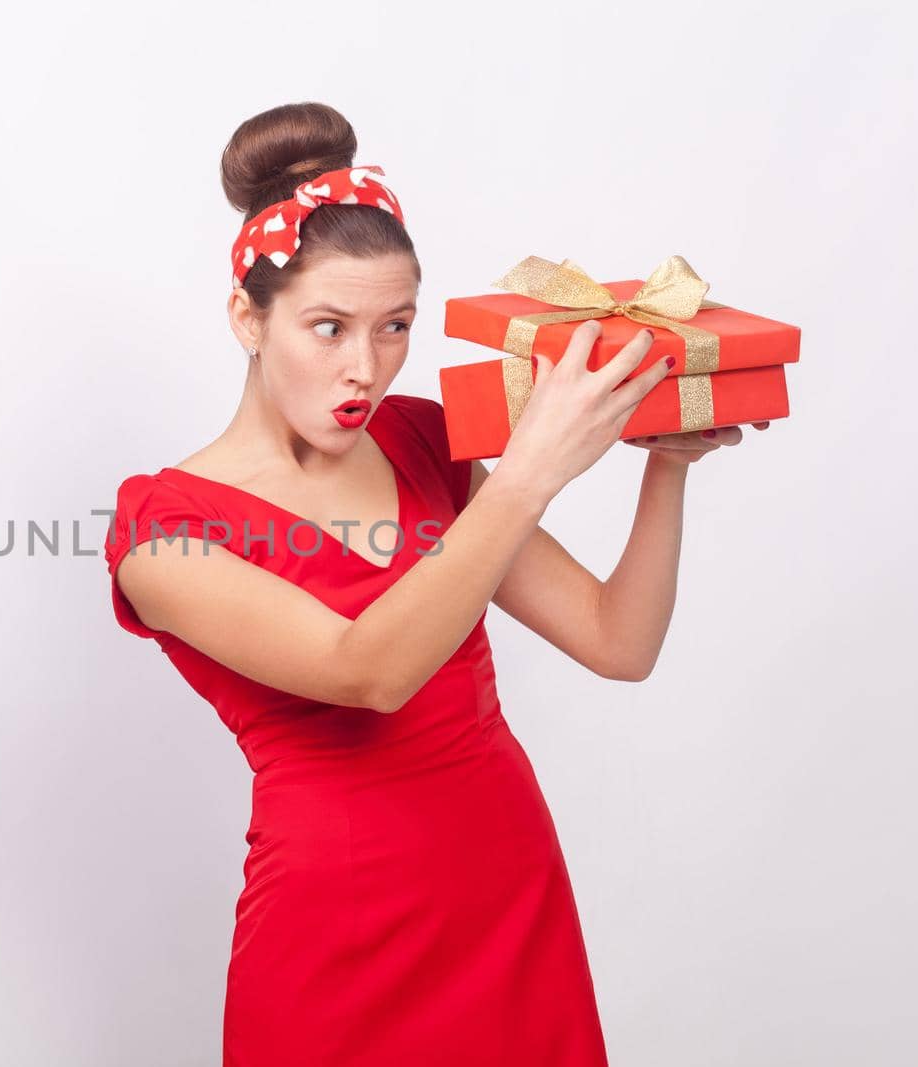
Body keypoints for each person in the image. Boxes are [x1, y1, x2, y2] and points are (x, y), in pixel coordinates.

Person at [102, 102, 768, 1066]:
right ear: (249, 316)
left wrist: (666, 464)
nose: (363, 368)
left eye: (395, 327)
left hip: (505, 884)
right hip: (337, 928)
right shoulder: (163, 528)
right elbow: (369, 669)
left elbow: (618, 643)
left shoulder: (421, 439)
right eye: (327, 327)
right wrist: (533, 470)